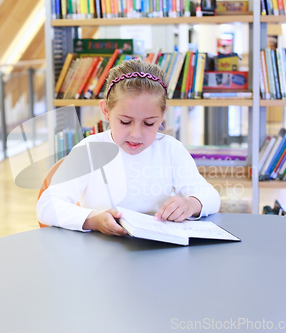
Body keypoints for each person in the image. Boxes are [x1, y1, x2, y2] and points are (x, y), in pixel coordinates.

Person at [37, 59, 220, 236]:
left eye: (149, 123)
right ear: (106, 111)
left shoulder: (170, 149)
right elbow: (47, 205)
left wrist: (191, 204)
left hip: (156, 253)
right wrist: (92, 219)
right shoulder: (90, 151)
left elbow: (211, 196)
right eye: (125, 122)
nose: (136, 133)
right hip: (99, 255)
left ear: (163, 115)